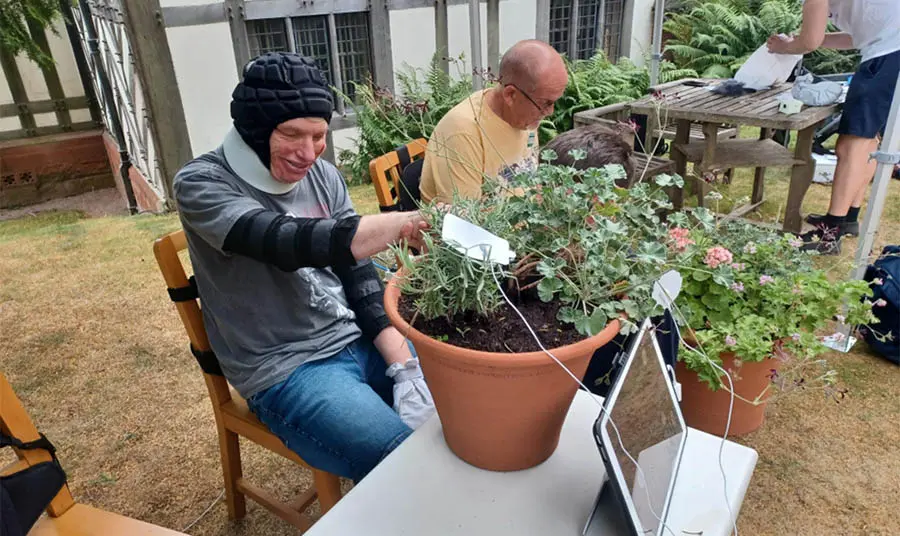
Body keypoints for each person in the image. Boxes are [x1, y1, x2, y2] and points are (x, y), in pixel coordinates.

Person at [173, 53, 434, 482]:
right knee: (405, 462)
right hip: (287, 367)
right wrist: (402, 223)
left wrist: (401, 361)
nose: (309, 153)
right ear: (254, 131)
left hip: (358, 333)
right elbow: (281, 242)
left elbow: (358, 272)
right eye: (292, 134)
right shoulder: (202, 183)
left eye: (319, 136)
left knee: (468, 396)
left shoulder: (325, 177)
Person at [767, 0, 900, 254]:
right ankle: (848, 218)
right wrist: (805, 37)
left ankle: (830, 233)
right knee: (868, 142)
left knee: (850, 147)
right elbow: (856, 37)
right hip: (889, 54)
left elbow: (809, 43)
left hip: (888, 58)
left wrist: (785, 46)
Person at [418, 40, 568, 204]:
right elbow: (465, 221)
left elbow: (531, 181)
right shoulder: (463, 132)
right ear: (511, 95)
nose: (550, 112)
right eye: (546, 103)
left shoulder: (525, 114)